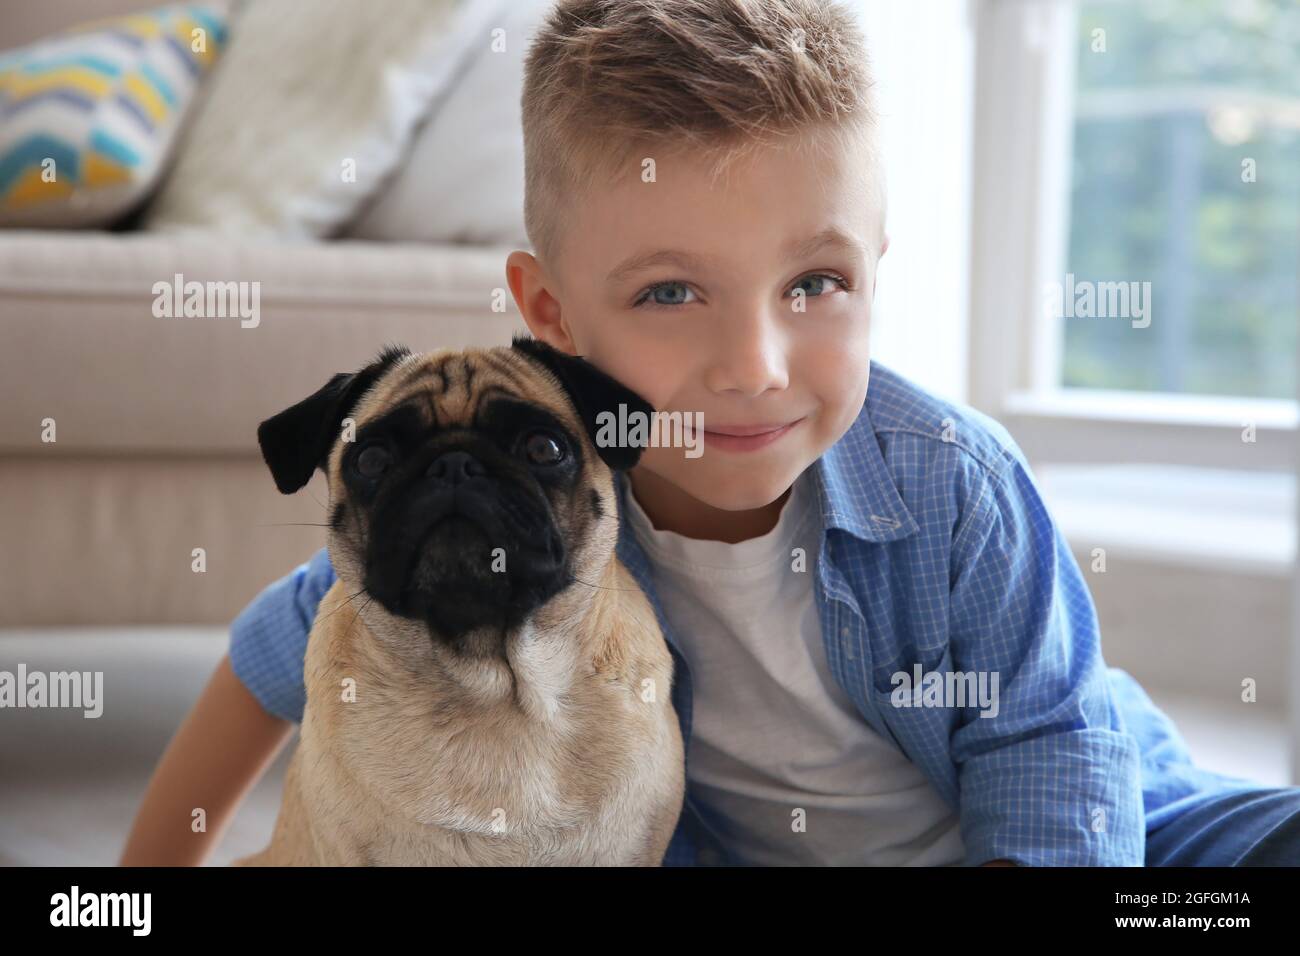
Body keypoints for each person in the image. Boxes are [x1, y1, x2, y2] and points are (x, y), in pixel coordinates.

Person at [120, 0, 1298, 866]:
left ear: (876, 268)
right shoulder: (550, 496)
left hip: (1134, 828)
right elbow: (275, 650)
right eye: (671, 294)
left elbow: (1055, 763)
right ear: (549, 316)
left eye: (816, 283)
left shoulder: (953, 482)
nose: (753, 366)